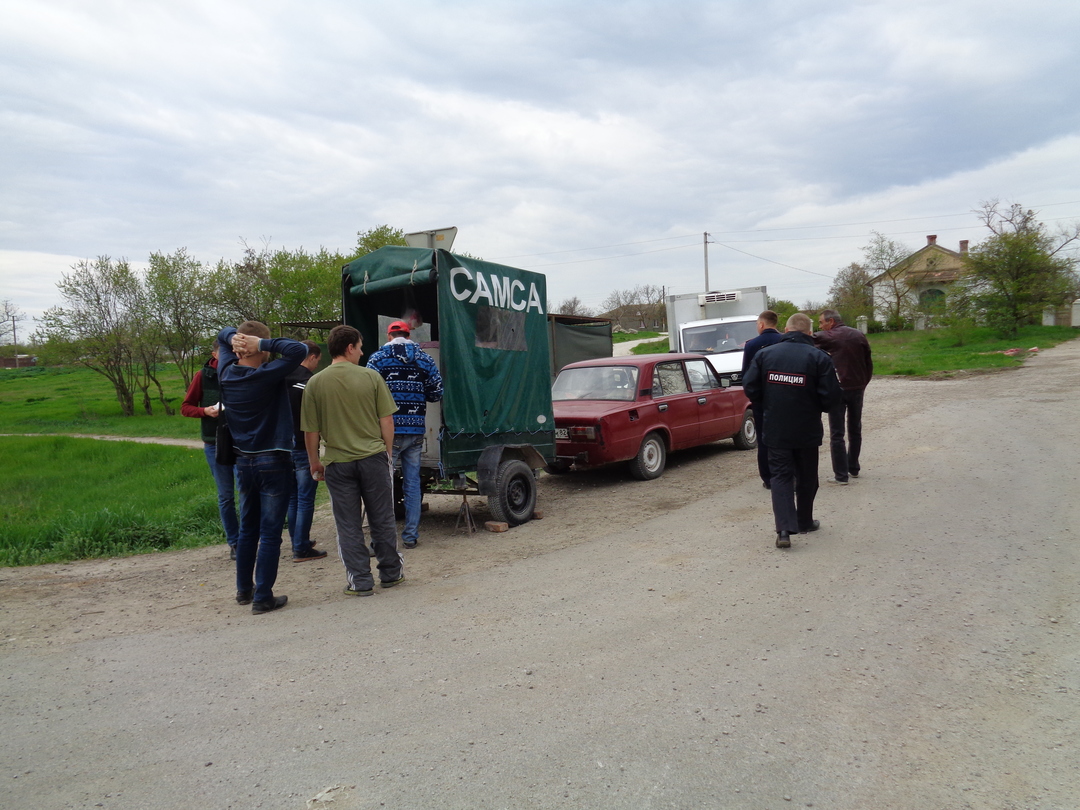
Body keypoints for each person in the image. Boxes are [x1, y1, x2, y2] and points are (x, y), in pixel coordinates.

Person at [301, 325, 404, 597]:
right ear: (349, 347)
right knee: (382, 518)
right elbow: (387, 420)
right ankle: (391, 574)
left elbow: (310, 431)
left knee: (348, 524)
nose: (361, 352)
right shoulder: (371, 377)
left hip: (337, 463)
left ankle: (360, 581)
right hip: (373, 458)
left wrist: (314, 462)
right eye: (359, 347)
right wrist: (388, 453)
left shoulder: (315, 383)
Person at [217, 322, 308, 614]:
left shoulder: (227, 373)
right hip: (274, 460)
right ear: (257, 345)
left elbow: (222, 334)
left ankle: (245, 590)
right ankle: (263, 597)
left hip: (243, 462)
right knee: (270, 533)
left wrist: (234, 339)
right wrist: (262, 343)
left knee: (248, 530)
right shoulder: (267, 375)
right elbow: (299, 350)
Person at [743, 312, 842, 549]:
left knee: (780, 477)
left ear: (786, 331)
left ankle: (784, 529)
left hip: (776, 428)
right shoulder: (819, 358)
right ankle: (805, 521)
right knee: (807, 477)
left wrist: (769, 403)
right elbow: (831, 399)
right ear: (809, 333)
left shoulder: (765, 355)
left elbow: (750, 386)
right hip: (807, 429)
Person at [365, 320, 444, 549]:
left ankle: (380, 540)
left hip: (388, 431)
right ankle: (410, 536)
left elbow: (368, 392)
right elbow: (437, 391)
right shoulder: (424, 358)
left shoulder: (377, 359)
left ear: (389, 336)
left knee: (383, 486)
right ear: (409, 336)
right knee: (411, 484)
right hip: (416, 430)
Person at [181, 340, 239, 560]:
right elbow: (185, 407)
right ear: (214, 354)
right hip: (214, 443)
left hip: (241, 441)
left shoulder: (240, 371)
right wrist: (206, 410)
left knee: (247, 492)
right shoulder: (203, 376)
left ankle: (251, 538)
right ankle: (234, 542)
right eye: (223, 352)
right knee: (226, 496)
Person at [814, 309, 873, 484]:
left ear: (830, 321)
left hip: (838, 388)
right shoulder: (859, 335)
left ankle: (841, 475)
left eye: (821, 323)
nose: (820, 326)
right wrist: (863, 382)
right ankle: (853, 467)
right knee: (855, 428)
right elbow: (868, 361)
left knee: (837, 433)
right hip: (857, 387)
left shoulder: (829, 336)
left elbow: (808, 341)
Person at [285, 340, 327, 562]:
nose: (317, 365)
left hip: (282, 445)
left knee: (292, 498)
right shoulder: (307, 383)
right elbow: (314, 421)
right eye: (318, 361)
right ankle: (301, 547)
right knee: (305, 499)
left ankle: (297, 539)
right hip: (303, 446)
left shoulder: (280, 377)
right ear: (311, 357)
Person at [740, 310, 783, 490]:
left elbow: (747, 376)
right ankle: (786, 473)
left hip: (762, 400)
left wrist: (754, 397)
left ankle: (768, 477)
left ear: (762, 324)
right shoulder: (785, 341)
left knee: (764, 438)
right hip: (784, 398)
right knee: (784, 436)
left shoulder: (752, 346)